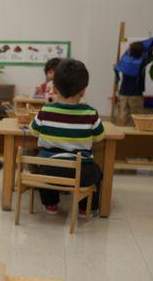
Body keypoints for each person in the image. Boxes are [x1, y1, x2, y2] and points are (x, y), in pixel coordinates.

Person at [29, 59, 104, 217]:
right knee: (97, 173)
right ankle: (86, 208)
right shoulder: (90, 113)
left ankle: (50, 205)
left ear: (54, 88)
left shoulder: (46, 110)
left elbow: (33, 131)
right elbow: (99, 136)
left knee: (41, 165)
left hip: (49, 171)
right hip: (80, 172)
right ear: (84, 90)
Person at [114, 36, 153, 126]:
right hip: (136, 94)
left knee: (122, 116)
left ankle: (121, 134)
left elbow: (117, 66)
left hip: (123, 93)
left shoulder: (125, 60)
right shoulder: (142, 62)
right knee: (136, 118)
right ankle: (134, 137)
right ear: (142, 52)